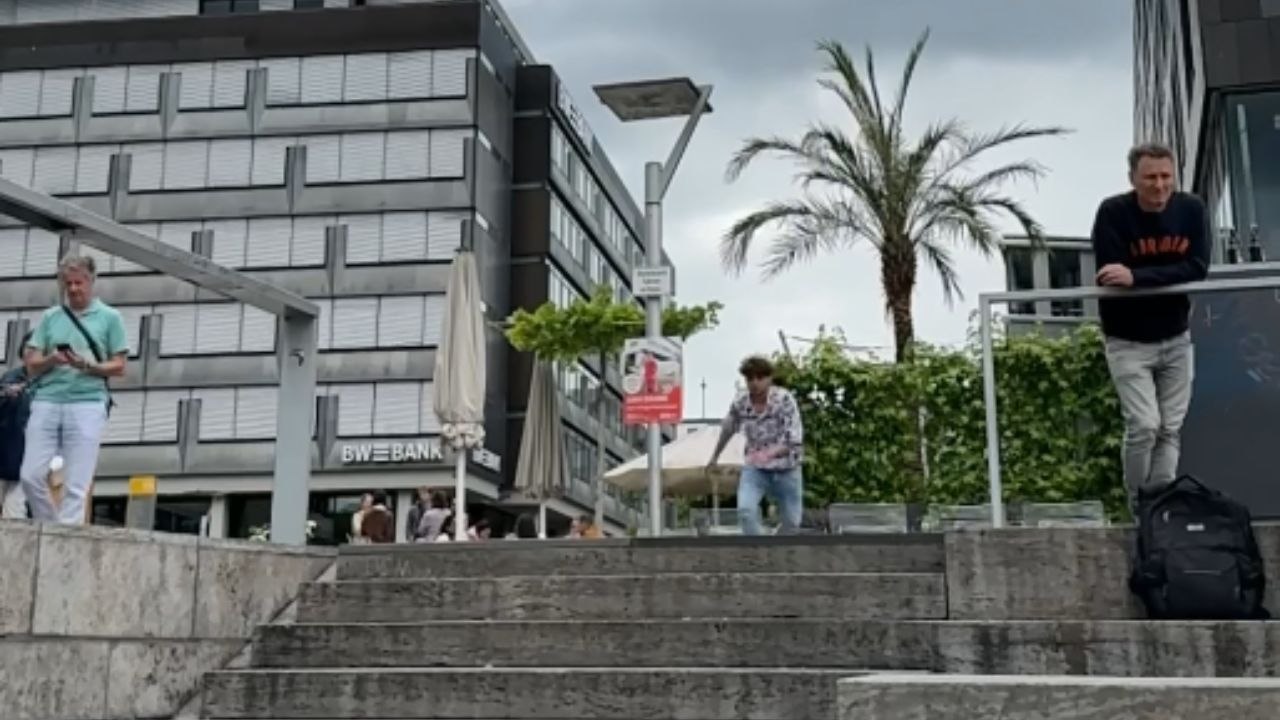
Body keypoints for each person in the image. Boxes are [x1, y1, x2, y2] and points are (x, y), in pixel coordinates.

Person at [1090, 142, 1211, 511]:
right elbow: (1111, 275)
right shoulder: (1113, 213)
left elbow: (1197, 267)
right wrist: (1143, 277)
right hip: (1127, 340)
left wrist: (1138, 277)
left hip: (1175, 335)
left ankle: (1161, 508)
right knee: (1144, 425)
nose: (1159, 186)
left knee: (1170, 427)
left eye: (1166, 177)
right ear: (1133, 179)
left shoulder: (1191, 209)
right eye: (1150, 178)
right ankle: (1137, 502)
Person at [21, 255, 128, 525]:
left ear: (91, 281)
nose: (73, 289)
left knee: (77, 483)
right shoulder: (51, 317)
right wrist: (51, 359)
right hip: (47, 397)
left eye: (78, 283)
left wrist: (87, 365)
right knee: (29, 475)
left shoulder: (110, 317)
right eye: (67, 283)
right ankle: (50, 526)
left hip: (87, 400)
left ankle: (65, 533)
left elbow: (119, 365)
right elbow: (31, 363)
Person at [709, 355, 804, 535]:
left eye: (760, 378)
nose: (755, 383)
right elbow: (728, 428)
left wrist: (769, 453)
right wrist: (715, 456)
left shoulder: (784, 399)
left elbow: (794, 438)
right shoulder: (741, 402)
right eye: (750, 379)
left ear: (769, 378)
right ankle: (756, 546)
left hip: (787, 467)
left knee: (792, 521)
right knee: (745, 511)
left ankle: (780, 546)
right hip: (756, 468)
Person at [0, 340, 33, 519]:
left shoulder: (50, 384)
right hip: (6, 450)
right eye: (29, 349)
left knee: (15, 510)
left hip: (27, 457)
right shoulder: (10, 378)